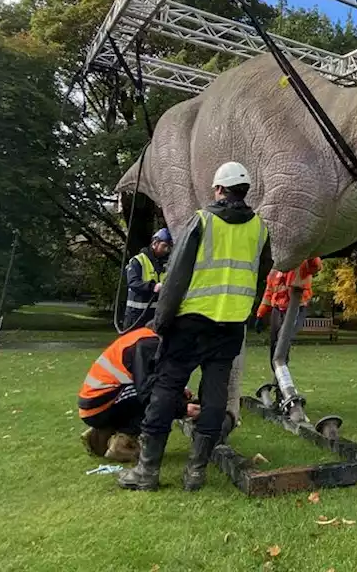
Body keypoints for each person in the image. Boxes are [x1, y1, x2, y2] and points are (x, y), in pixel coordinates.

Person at [117, 161, 273, 492]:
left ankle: (147, 472)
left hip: (190, 323)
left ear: (218, 189)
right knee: (215, 397)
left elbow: (176, 276)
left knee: (165, 389)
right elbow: (261, 276)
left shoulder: (202, 221)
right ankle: (196, 472)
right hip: (230, 327)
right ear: (245, 191)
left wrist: (162, 320)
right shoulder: (260, 228)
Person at [77, 327, 199, 463]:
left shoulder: (148, 337)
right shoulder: (148, 345)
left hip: (98, 403)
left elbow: (154, 377)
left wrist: (180, 392)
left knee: (162, 395)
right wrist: (182, 409)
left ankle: (101, 437)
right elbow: (147, 392)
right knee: (155, 398)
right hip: (99, 406)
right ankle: (121, 445)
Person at [255, 256, 323, 372]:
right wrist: (260, 314)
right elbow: (269, 292)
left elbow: (315, 266)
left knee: (282, 343)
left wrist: (310, 251)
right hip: (277, 309)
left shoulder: (302, 262)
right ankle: (277, 378)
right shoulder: (275, 270)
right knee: (274, 345)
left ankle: (282, 379)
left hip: (296, 307)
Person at [123, 228, 172, 329]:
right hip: (136, 315)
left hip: (155, 316)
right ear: (155, 243)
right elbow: (133, 283)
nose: (167, 250)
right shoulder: (138, 261)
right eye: (164, 246)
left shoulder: (166, 263)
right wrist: (153, 287)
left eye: (169, 247)